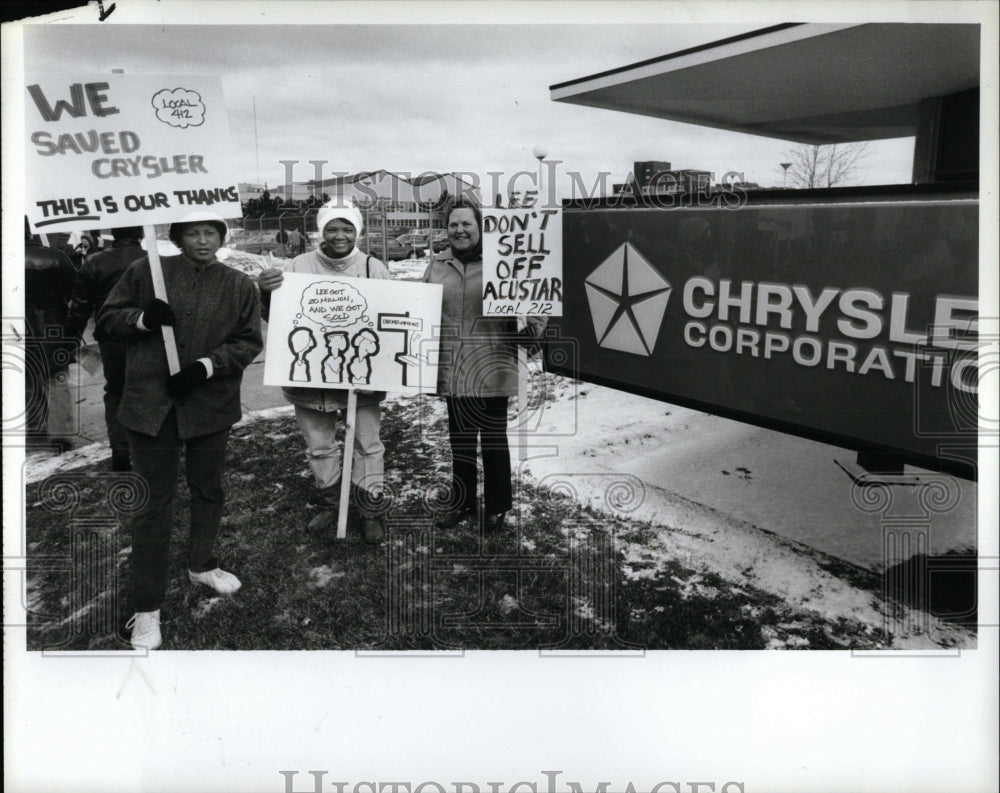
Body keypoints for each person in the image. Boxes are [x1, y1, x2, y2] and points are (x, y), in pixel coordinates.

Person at [98, 210, 263, 650]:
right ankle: (146, 608)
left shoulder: (238, 285)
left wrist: (207, 367)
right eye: (194, 233)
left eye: (211, 232)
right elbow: (107, 320)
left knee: (208, 488)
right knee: (153, 503)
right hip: (150, 408)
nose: (203, 241)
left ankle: (202, 562)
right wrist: (143, 319)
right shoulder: (144, 272)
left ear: (221, 237)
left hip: (209, 406)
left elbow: (248, 341)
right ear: (177, 237)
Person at [257, 204, 390, 544]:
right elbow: (279, 318)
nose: (339, 235)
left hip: (361, 376)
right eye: (332, 228)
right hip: (311, 379)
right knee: (319, 446)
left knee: (367, 443)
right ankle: (333, 503)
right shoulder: (298, 267)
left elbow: (391, 320)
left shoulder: (374, 268)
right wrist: (267, 292)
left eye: (347, 228)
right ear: (321, 231)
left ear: (357, 232)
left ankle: (369, 508)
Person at [422, 201, 545, 532]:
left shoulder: (503, 263)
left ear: (480, 227)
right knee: (460, 442)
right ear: (446, 229)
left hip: (492, 364)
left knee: (493, 440)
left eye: (467, 224)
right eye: (453, 225)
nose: (460, 230)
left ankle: (497, 506)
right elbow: (419, 309)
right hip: (454, 368)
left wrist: (531, 329)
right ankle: (461, 502)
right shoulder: (436, 266)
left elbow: (534, 301)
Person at [65, 226, 145, 471]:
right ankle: (149, 446)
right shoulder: (153, 259)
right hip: (147, 333)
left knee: (116, 391)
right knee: (150, 388)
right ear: (141, 234)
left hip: (111, 336)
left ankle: (120, 448)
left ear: (113, 233)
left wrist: (69, 341)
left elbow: (80, 307)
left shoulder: (94, 262)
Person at [24, 219, 77, 451]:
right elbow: (76, 288)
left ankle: (34, 426)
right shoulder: (56, 256)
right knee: (57, 381)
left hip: (19, 327)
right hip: (54, 326)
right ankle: (62, 433)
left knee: (26, 379)